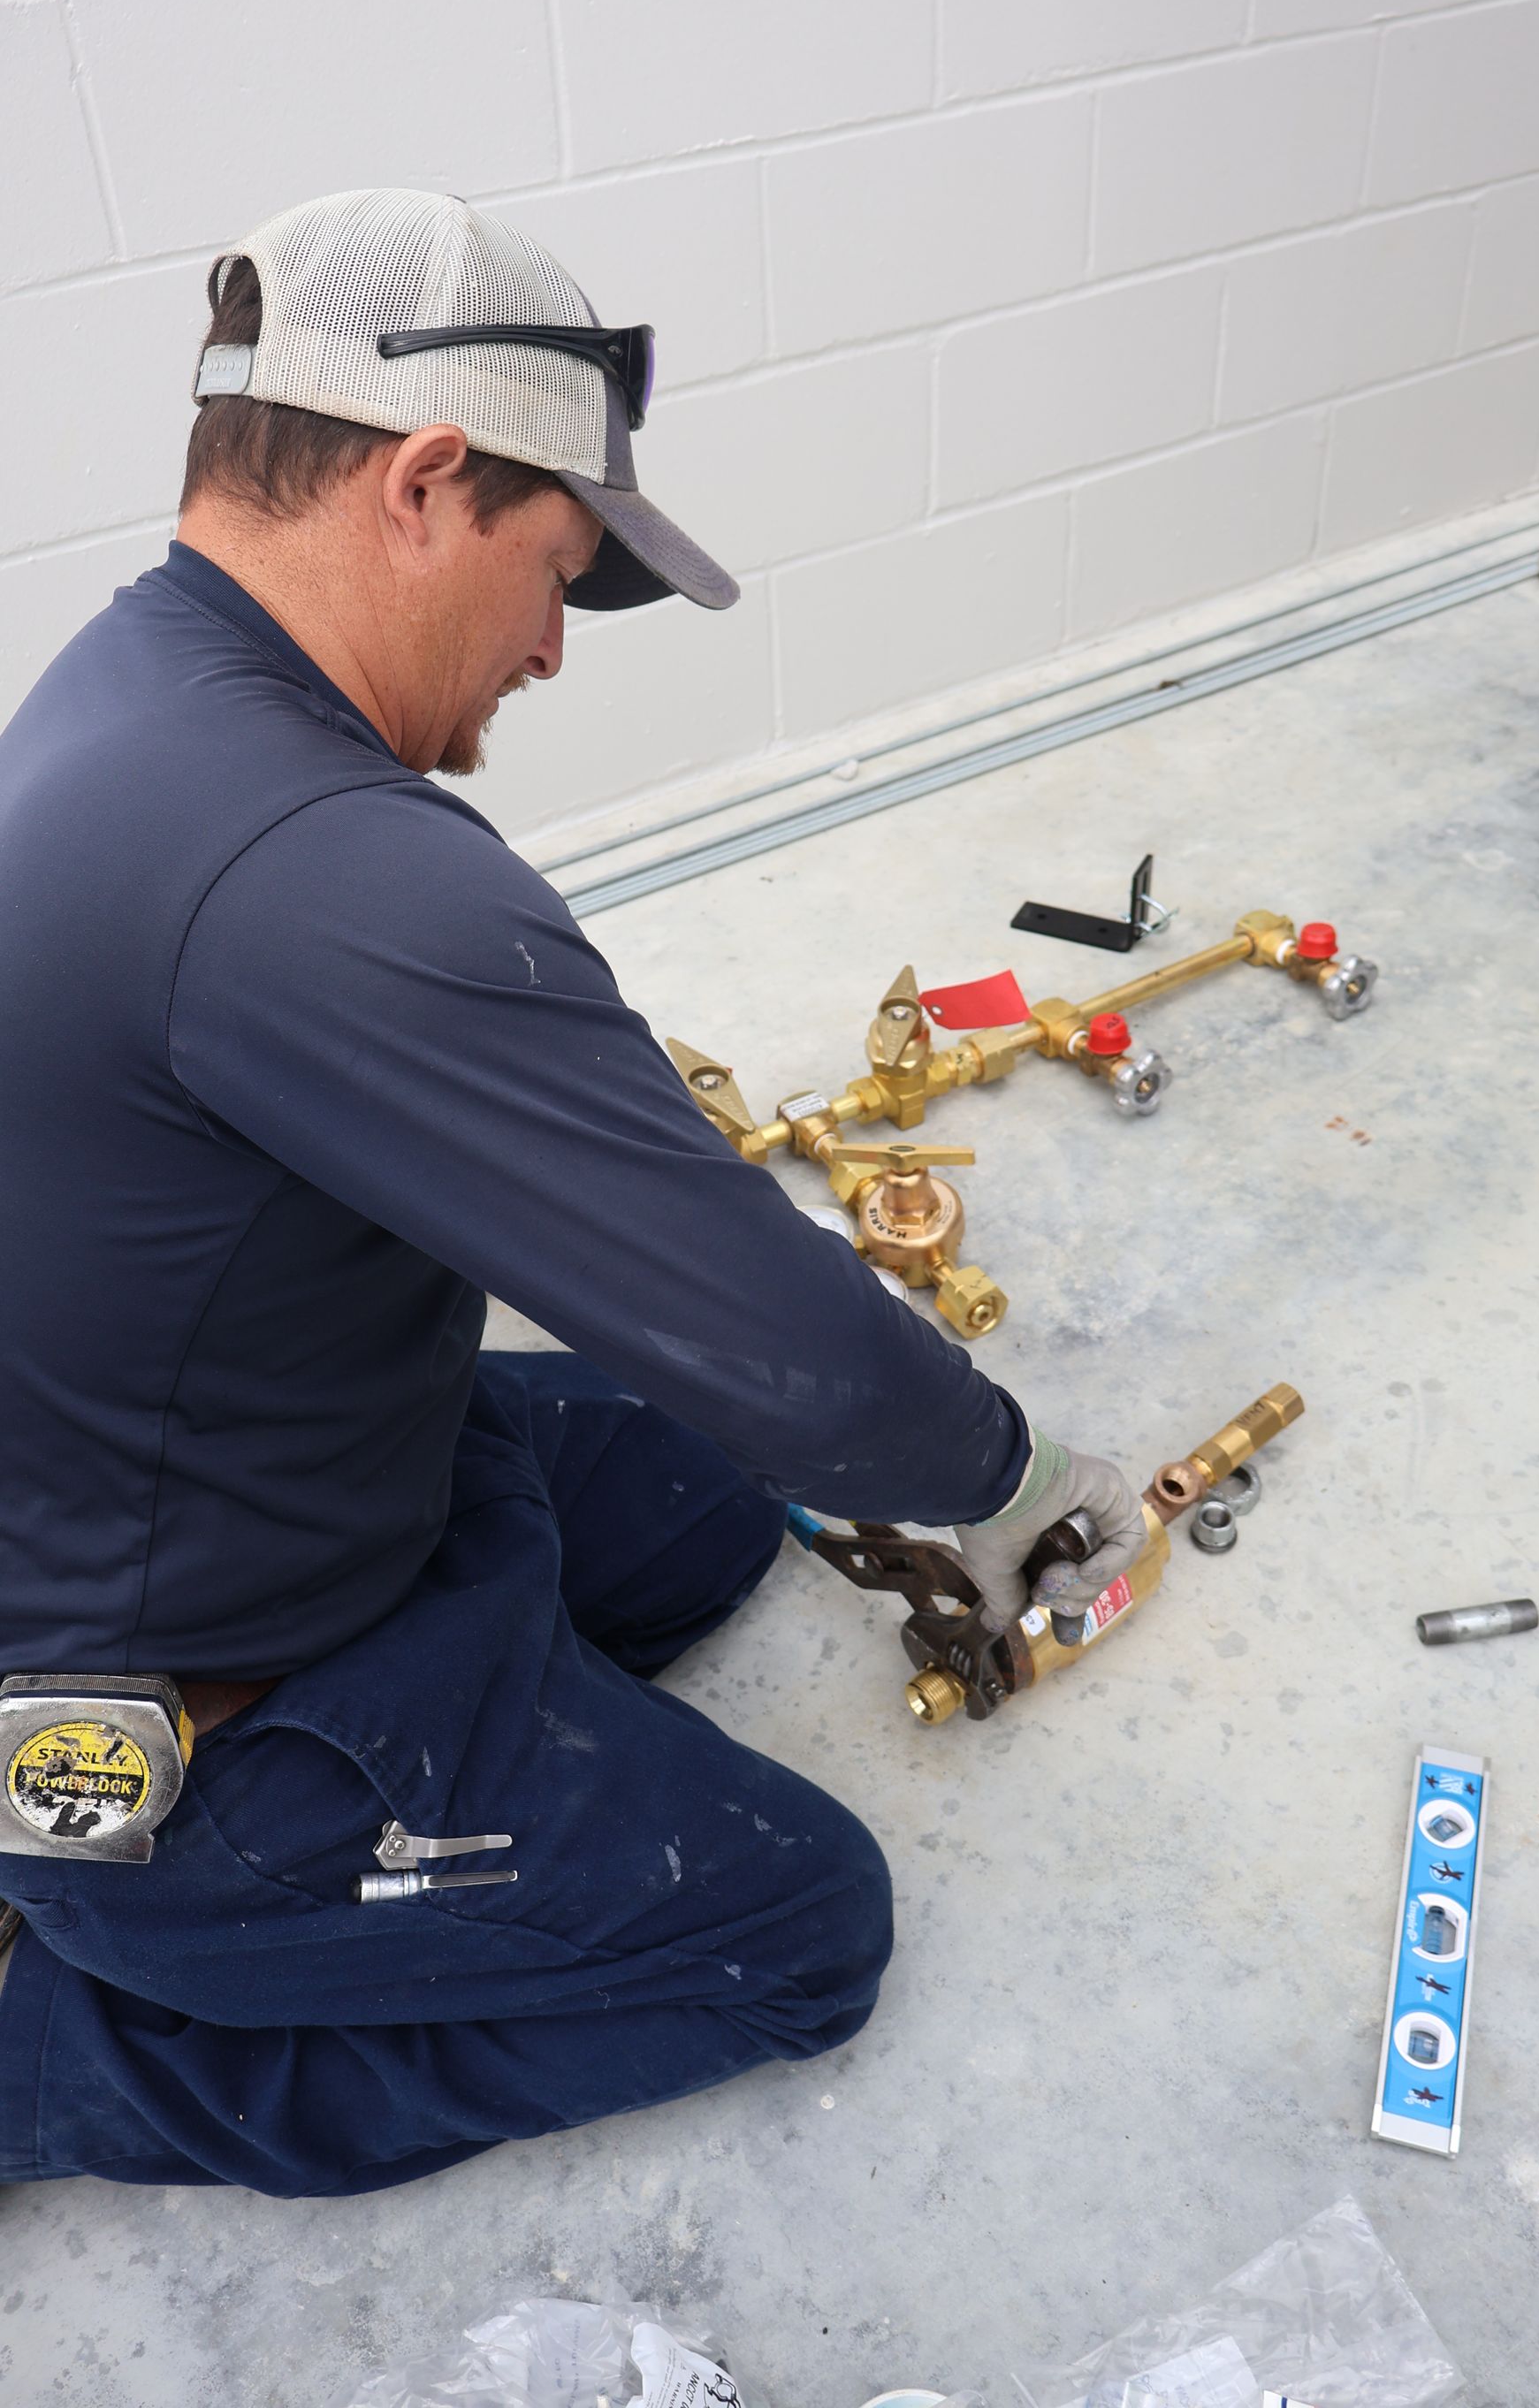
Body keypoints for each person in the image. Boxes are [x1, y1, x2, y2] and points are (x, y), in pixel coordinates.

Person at [0, 189, 1143, 2198]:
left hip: (225, 1485)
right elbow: (803, 1367)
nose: (547, 648)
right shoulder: (316, 874)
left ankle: (463, 1750)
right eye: (555, 573)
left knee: (701, 1512)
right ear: (426, 480)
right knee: (795, 1928)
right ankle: (57, 2052)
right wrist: (1016, 1460)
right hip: (166, 1737)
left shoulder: (130, 693)